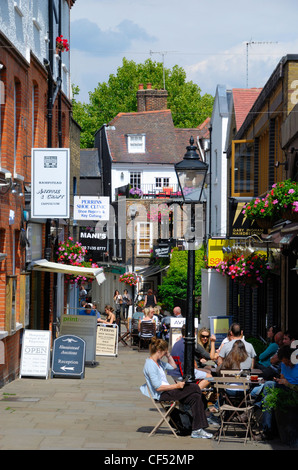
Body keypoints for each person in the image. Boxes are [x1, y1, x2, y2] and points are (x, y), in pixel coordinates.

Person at [140, 337, 213, 439]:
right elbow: (158, 388)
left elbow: (173, 366)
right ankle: (203, 418)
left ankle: (197, 430)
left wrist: (169, 355)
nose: (165, 354)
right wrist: (177, 386)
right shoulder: (150, 365)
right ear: (158, 351)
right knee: (194, 387)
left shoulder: (158, 362)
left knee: (196, 396)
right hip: (163, 394)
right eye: (164, 352)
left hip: (168, 391)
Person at [253, 345, 298, 440]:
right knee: (268, 384)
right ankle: (267, 428)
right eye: (285, 363)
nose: (287, 365)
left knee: (267, 399)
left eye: (289, 362)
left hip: (294, 392)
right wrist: (280, 380)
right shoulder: (284, 364)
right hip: (284, 388)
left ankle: (255, 408)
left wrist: (288, 384)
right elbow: (283, 377)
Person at [169, 325, 213, 390]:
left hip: (174, 374)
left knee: (206, 370)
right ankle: (194, 392)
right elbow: (194, 365)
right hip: (183, 374)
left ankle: (192, 391)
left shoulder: (176, 343)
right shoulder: (188, 344)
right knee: (209, 377)